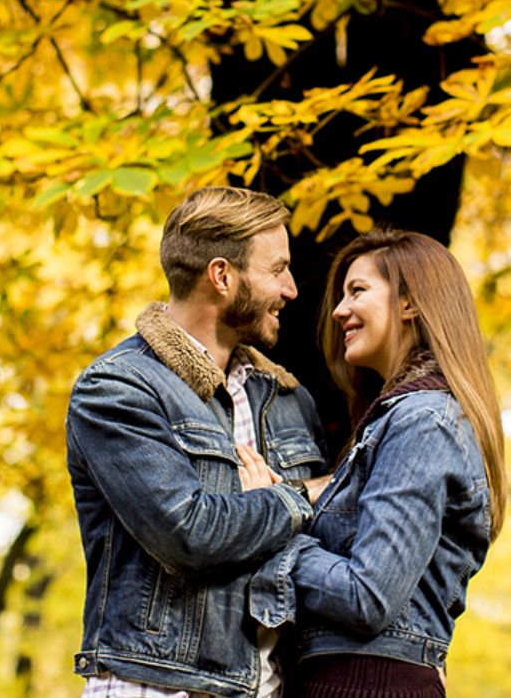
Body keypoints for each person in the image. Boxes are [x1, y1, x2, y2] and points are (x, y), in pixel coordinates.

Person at [67, 187, 331, 698]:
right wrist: (299, 496)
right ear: (222, 276)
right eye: (277, 270)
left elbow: (326, 544)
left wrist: (263, 511)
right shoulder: (119, 390)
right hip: (159, 685)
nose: (293, 289)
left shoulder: (289, 401)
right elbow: (189, 534)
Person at [249, 229, 507, 697]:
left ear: (410, 303)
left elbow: (367, 596)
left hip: (368, 683)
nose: (339, 311)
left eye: (358, 291)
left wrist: (269, 531)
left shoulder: (423, 421)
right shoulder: (394, 421)